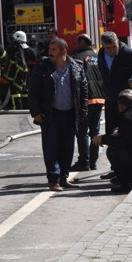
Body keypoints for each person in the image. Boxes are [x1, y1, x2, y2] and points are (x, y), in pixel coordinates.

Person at [28, 38, 88, 191]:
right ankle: (53, 179)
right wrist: (36, 112)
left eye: (53, 49)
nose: (50, 52)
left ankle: (63, 178)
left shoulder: (76, 67)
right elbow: (33, 90)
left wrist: (83, 111)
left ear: (64, 51)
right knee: (51, 148)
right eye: (50, 49)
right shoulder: (43, 67)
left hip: (70, 114)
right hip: (50, 114)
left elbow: (83, 90)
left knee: (68, 148)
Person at [97, 31, 132, 135]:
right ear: (103, 46)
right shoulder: (101, 53)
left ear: (118, 42)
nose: (112, 50)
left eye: (114, 46)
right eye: (108, 48)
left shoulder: (127, 53)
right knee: (111, 131)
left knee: (127, 129)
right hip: (110, 97)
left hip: (126, 98)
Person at [71, 34, 105, 171]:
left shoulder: (78, 58)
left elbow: (75, 79)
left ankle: (84, 162)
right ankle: (93, 162)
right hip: (100, 98)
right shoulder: (98, 57)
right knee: (95, 132)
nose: (75, 45)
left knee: (82, 132)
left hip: (86, 100)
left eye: (77, 43)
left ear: (82, 42)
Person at [3, 30, 37, 110]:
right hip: (28, 75)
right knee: (26, 91)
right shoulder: (31, 51)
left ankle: (18, 108)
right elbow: (34, 65)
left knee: (15, 92)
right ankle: (27, 108)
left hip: (15, 75)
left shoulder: (12, 49)